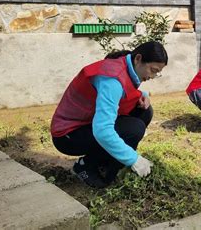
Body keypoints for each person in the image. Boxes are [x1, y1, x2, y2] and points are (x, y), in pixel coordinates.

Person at [51, 41, 168, 188]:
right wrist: (134, 159)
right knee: (134, 128)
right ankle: (87, 166)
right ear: (138, 59)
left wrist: (143, 94)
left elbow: (123, 89)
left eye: (157, 73)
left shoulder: (126, 63)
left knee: (144, 112)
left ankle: (107, 162)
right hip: (68, 134)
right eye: (153, 70)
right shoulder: (112, 78)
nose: (152, 76)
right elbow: (103, 130)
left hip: (88, 121)